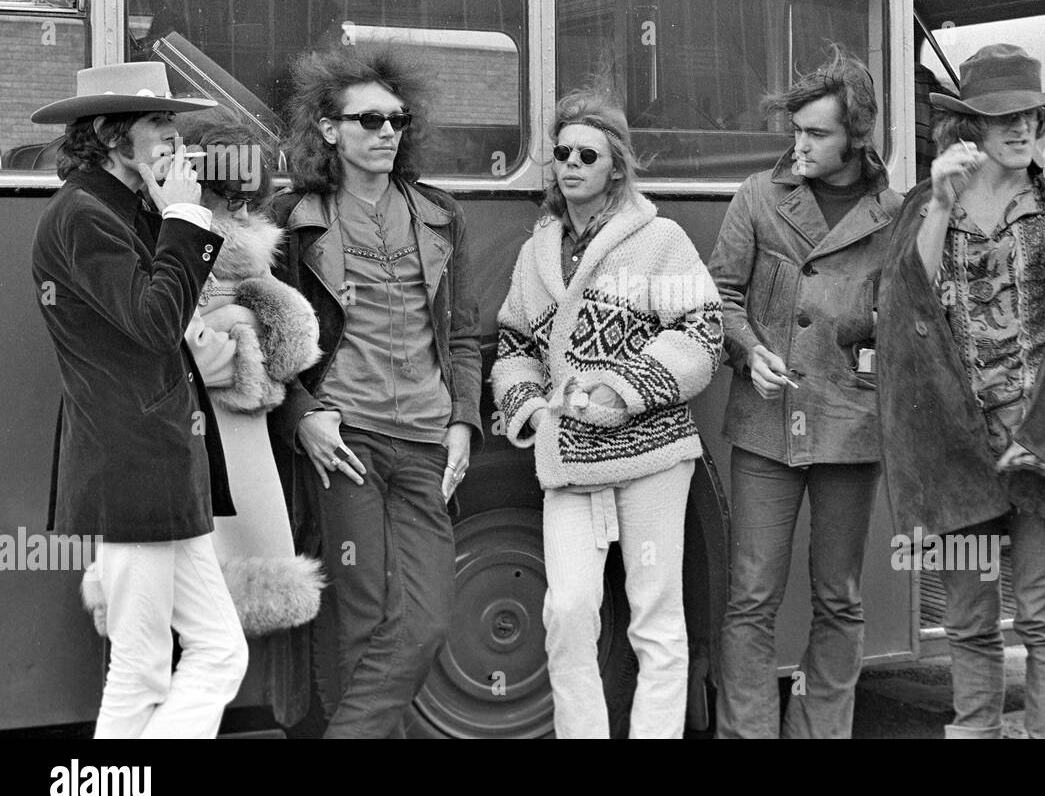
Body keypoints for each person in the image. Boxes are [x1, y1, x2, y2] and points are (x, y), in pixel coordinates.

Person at [877, 43, 1045, 738]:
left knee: (1043, 614)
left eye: (1030, 114)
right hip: (958, 447)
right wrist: (936, 204)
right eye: (1002, 117)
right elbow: (907, 300)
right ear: (973, 126)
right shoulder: (934, 201)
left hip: (1040, 442)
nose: (1021, 128)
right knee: (967, 621)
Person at [492, 89, 723, 738]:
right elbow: (514, 345)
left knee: (656, 618)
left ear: (615, 166)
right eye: (560, 152)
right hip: (567, 457)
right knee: (567, 613)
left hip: (652, 454)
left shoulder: (660, 240)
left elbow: (702, 331)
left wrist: (624, 389)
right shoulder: (537, 251)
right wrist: (530, 407)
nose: (569, 164)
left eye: (585, 154)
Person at [268, 46, 482, 738]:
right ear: (329, 128)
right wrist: (302, 415)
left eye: (398, 119)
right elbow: (265, 335)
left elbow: (463, 337)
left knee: (426, 622)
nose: (388, 132)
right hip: (347, 442)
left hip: (424, 443)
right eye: (369, 119)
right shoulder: (294, 218)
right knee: (361, 622)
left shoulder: (439, 216)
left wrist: (463, 422)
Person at [30, 62, 248, 738]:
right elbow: (156, 323)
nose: (174, 139)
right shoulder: (84, 216)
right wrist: (182, 215)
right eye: (159, 123)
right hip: (135, 469)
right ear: (108, 132)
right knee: (145, 667)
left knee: (217, 651)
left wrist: (172, 215)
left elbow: (163, 313)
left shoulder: (114, 210)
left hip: (153, 467)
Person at [707, 45, 902, 738]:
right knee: (752, 595)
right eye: (796, 131)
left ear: (857, 134)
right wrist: (747, 348)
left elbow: (910, 316)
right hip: (767, 417)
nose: (800, 146)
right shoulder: (759, 196)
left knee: (839, 596)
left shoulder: (895, 213)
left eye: (817, 134)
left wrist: (871, 326)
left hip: (849, 420)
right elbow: (720, 295)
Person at [179, 108, 325, 642]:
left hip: (235, 432)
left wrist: (256, 335)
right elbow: (186, 351)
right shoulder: (178, 241)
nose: (239, 213)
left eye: (248, 201)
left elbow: (285, 351)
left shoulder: (243, 249)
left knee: (215, 618)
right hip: (192, 431)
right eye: (228, 199)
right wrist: (241, 328)